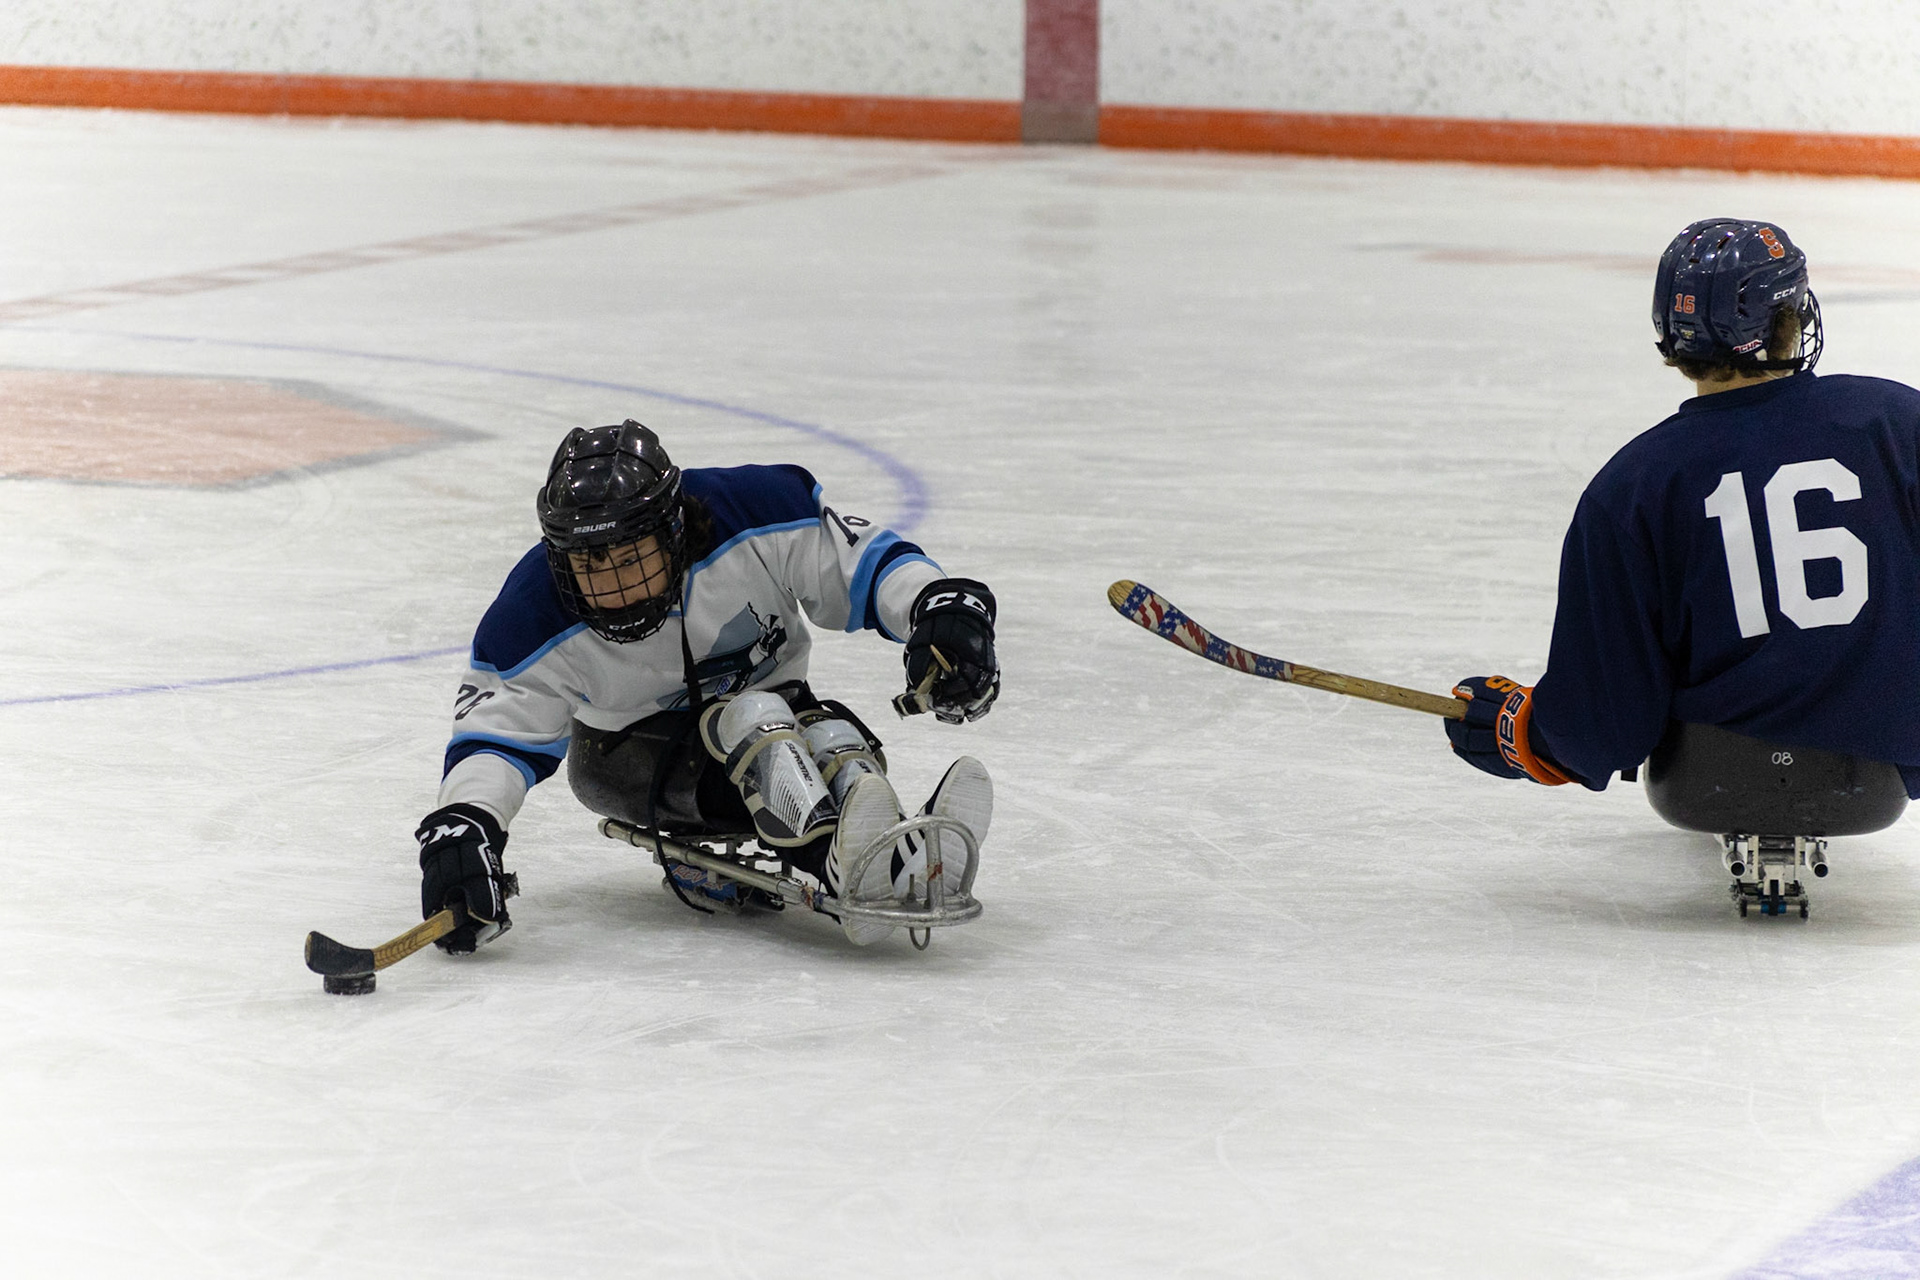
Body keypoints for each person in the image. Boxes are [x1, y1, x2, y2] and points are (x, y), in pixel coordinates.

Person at [414, 420, 999, 950]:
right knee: (756, 722)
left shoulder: (753, 512)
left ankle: (898, 854)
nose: (614, 588)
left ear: (670, 528)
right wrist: (465, 828)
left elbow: (863, 566)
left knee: (829, 735)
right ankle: (843, 860)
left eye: (629, 557)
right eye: (590, 565)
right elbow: (495, 735)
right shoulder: (533, 610)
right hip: (626, 756)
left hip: (781, 717)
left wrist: (938, 608)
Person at [1446, 218, 1920, 797]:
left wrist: (1522, 728)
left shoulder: (1631, 485)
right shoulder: (1896, 420)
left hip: (1711, 777)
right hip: (1890, 760)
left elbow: (1602, 724)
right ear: (1787, 321)